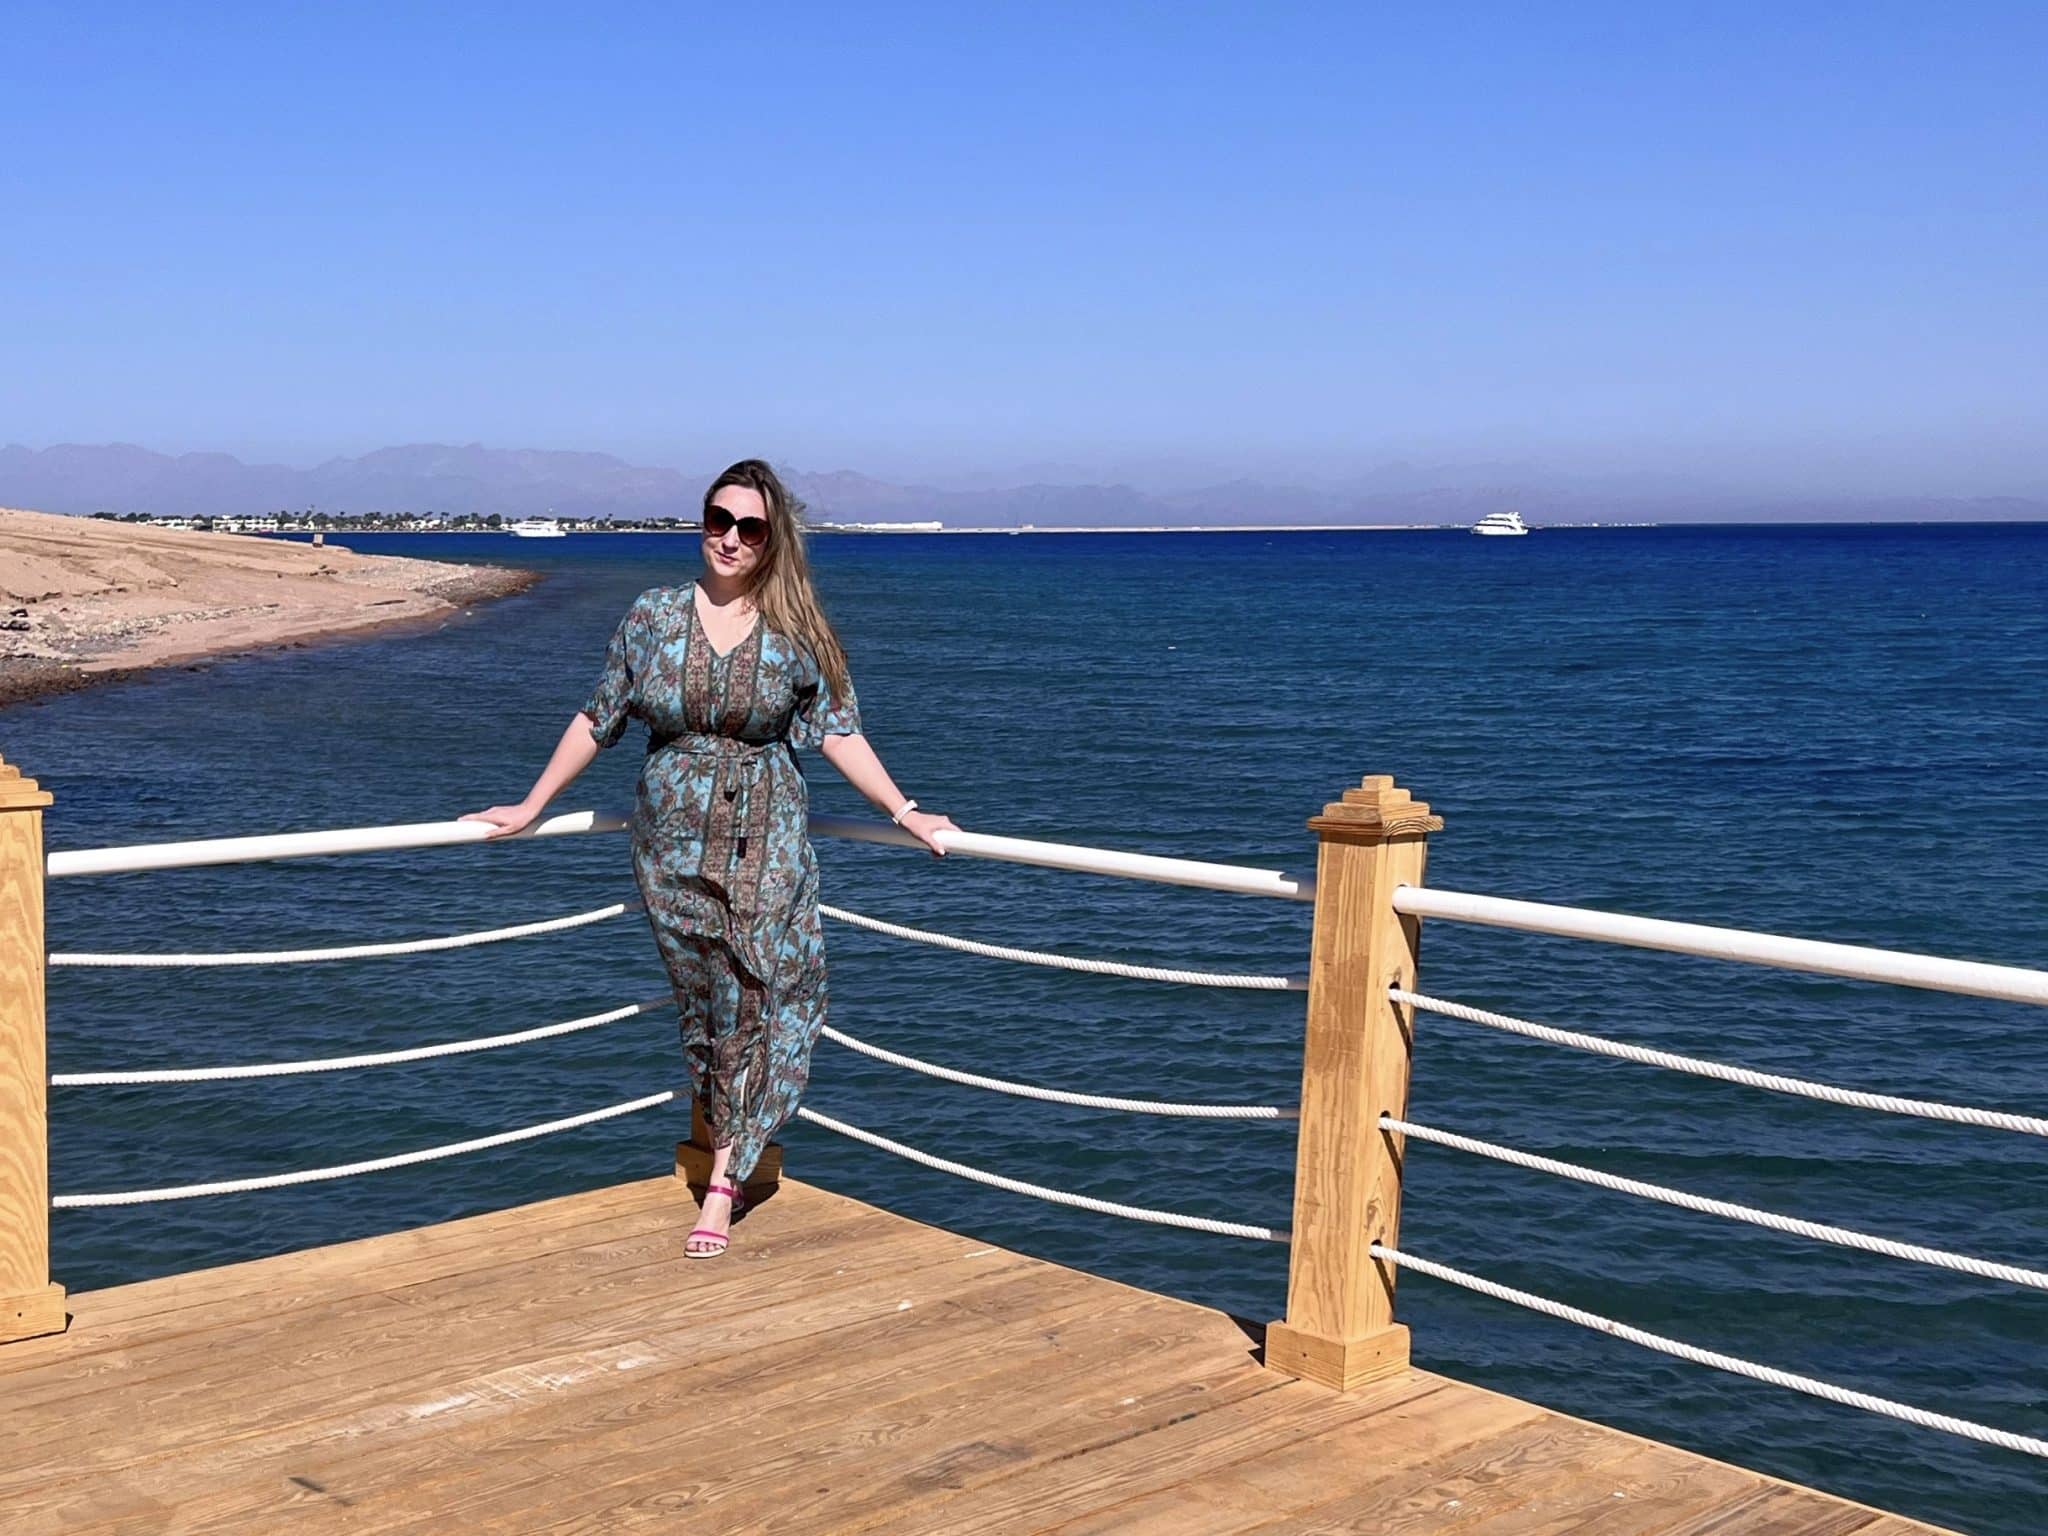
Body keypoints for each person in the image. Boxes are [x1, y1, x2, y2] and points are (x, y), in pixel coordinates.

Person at [463, 459, 955, 1258]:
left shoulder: (797, 629)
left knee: (761, 991)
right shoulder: (653, 615)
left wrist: (905, 812)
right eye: (717, 520)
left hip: (768, 840)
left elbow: (837, 733)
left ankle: (724, 1181)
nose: (729, 538)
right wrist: (531, 805)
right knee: (706, 1005)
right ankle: (726, 1152)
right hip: (669, 847)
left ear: (772, 540)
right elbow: (597, 718)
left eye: (749, 528)